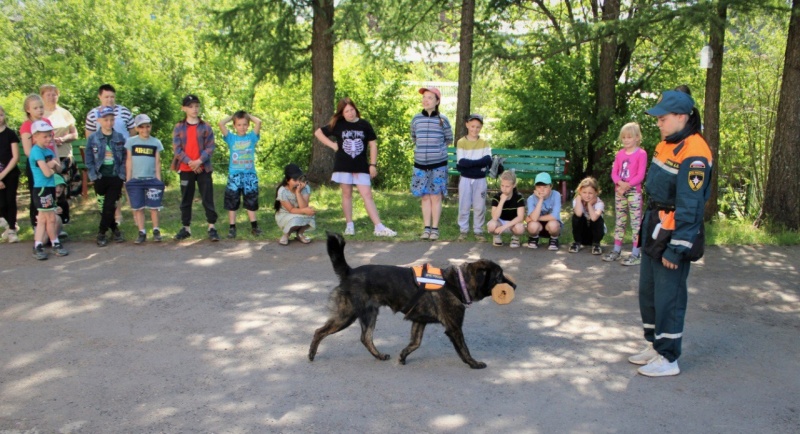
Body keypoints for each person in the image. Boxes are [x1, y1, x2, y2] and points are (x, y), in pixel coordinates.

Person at [628, 89, 713, 377]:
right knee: (649, 291)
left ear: (681, 117)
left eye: (662, 118)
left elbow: (690, 207)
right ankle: (654, 345)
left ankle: (669, 357)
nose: (658, 123)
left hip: (673, 231)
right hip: (655, 224)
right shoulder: (668, 142)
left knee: (669, 296)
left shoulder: (696, 153)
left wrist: (677, 248)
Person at [314, 97, 396, 237]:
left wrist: (373, 164)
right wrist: (333, 145)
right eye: (346, 111)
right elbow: (318, 132)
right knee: (346, 194)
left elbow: (373, 145)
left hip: (361, 165)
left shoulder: (364, 124)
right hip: (343, 165)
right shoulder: (338, 124)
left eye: (352, 110)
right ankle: (349, 225)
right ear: (342, 113)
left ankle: (378, 226)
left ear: (356, 110)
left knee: (367, 195)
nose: (350, 113)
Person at [171, 94, 219, 241]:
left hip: (203, 168)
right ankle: (186, 228)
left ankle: (211, 226)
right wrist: (191, 163)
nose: (194, 109)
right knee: (186, 199)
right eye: (191, 106)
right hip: (186, 169)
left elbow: (210, 147)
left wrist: (199, 161)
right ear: (184, 108)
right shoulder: (179, 127)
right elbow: (177, 149)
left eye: (197, 106)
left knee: (207, 198)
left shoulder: (206, 127)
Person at [410, 87, 453, 241]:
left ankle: (435, 229)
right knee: (425, 196)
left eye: (429, 97)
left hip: (438, 164)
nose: (425, 100)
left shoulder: (443, 120)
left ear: (437, 101)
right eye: (424, 97)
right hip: (420, 164)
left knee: (436, 196)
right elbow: (414, 137)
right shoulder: (416, 119)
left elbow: (448, 139)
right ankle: (426, 228)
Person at [604, 122, 647, 265]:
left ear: (637, 137)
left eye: (629, 137)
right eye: (624, 137)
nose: (626, 140)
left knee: (636, 223)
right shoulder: (620, 154)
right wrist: (620, 184)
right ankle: (616, 250)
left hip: (634, 192)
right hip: (620, 191)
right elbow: (614, 173)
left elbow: (640, 175)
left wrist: (627, 185)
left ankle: (636, 253)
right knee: (620, 221)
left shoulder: (641, 154)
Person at [85, 106, 127, 247]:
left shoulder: (119, 137)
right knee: (105, 206)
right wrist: (93, 176)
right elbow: (89, 159)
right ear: (99, 121)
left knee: (110, 204)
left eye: (111, 120)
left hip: (115, 176)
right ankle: (115, 229)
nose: (109, 123)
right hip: (100, 177)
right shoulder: (93, 138)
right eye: (106, 120)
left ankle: (101, 233)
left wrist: (122, 175)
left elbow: (124, 158)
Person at [219, 110, 263, 238]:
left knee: (251, 201)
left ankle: (254, 227)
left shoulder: (251, 137)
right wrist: (233, 117)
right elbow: (221, 124)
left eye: (245, 124)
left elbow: (258, 122)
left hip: (249, 175)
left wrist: (248, 116)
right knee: (232, 201)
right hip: (235, 176)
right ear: (234, 125)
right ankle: (232, 227)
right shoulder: (231, 138)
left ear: (248, 125)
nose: (242, 127)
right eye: (239, 124)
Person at [28, 121, 66, 259]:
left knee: (46, 219)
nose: (48, 139)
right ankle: (50, 243)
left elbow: (59, 169)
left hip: (49, 187)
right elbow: (47, 173)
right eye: (44, 136)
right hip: (42, 188)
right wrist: (52, 165)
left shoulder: (48, 151)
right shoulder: (36, 151)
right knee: (48, 218)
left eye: (49, 136)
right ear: (35, 137)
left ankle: (42, 244)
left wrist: (55, 165)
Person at [125, 114, 165, 244]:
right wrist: (128, 179)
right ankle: (141, 231)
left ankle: (156, 230)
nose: (145, 130)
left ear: (150, 127)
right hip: (136, 179)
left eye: (147, 126)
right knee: (138, 207)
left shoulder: (156, 142)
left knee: (154, 207)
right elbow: (129, 161)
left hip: (152, 178)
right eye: (141, 127)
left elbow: (157, 162)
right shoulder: (131, 142)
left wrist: (158, 181)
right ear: (137, 128)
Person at [19, 94, 56, 230]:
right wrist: (42, 162)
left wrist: (55, 158)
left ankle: (53, 225)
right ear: (28, 110)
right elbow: (28, 151)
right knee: (38, 194)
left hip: (50, 160)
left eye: (41, 107)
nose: (39, 110)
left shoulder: (47, 122)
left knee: (52, 191)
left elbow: (53, 144)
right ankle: (37, 226)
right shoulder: (26, 126)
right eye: (35, 108)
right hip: (37, 165)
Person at [455, 113, 491, 242]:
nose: (474, 129)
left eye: (478, 127)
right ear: (467, 125)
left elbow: (487, 159)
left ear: (481, 128)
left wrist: (471, 164)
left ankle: (478, 230)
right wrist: (477, 164)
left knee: (479, 205)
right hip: (465, 178)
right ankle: (463, 230)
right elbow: (461, 162)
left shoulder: (484, 143)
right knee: (464, 205)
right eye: (472, 126)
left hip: (480, 179)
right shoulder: (461, 142)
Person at [40, 84, 78, 195]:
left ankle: (64, 210)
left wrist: (64, 138)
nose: (52, 97)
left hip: (64, 155)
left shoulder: (65, 113)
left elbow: (74, 134)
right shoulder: (38, 113)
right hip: (46, 157)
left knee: (64, 189)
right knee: (49, 190)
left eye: (54, 94)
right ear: (42, 96)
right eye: (48, 95)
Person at [274, 163, 316, 246]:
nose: (298, 182)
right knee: (295, 219)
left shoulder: (305, 188)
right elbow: (291, 210)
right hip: (285, 214)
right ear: (287, 180)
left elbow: (303, 207)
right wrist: (304, 210)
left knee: (311, 214)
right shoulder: (282, 191)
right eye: (294, 180)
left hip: (300, 211)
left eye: (299, 179)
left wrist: (298, 192)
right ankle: (286, 234)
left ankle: (300, 233)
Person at [487, 170, 526, 247]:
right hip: (500, 221)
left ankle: (515, 237)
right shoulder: (496, 197)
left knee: (520, 228)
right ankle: (497, 236)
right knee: (491, 225)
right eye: (502, 185)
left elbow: (520, 217)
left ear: (514, 185)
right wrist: (501, 201)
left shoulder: (518, 197)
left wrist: (504, 227)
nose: (504, 189)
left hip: (513, 223)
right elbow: (494, 217)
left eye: (507, 186)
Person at [525, 172, 562, 250]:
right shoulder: (531, 198)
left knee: (554, 225)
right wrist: (541, 199)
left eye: (545, 187)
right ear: (535, 188)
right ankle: (534, 238)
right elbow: (534, 219)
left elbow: (554, 216)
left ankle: (554, 239)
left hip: (552, 223)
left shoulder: (556, 195)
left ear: (551, 186)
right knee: (532, 226)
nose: (542, 190)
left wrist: (534, 218)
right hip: (538, 225)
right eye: (539, 187)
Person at [568, 177, 606, 255]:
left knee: (596, 218)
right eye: (584, 192)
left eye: (590, 193)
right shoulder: (577, 201)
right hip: (582, 234)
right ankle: (577, 242)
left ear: (596, 193)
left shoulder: (599, 203)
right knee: (576, 217)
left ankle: (596, 244)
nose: (587, 196)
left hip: (594, 234)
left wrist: (589, 204)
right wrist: (578, 198)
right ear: (580, 192)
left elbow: (594, 218)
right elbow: (578, 214)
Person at [0, 106, 21, 243]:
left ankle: (12, 228)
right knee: (1, 204)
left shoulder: (10, 134)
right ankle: (7, 225)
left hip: (10, 173)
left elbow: (15, 157)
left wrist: (2, 176)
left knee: (10, 200)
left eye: (1, 115)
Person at [53, 174, 70, 239]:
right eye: (56, 186)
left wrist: (61, 214)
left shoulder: (64, 202)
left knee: (57, 218)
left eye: (61, 186)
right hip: (42, 226)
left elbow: (66, 219)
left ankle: (55, 236)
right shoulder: (43, 199)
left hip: (56, 224)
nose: (59, 189)